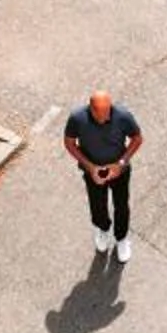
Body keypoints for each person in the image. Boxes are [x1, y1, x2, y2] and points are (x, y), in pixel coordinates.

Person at [64, 87, 142, 264]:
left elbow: (137, 138)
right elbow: (69, 142)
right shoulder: (77, 118)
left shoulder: (123, 116)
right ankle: (103, 229)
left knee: (121, 205)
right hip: (93, 170)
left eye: (108, 112)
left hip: (119, 170)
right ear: (91, 110)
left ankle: (121, 239)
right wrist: (90, 167)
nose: (107, 117)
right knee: (97, 204)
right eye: (101, 114)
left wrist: (120, 164)